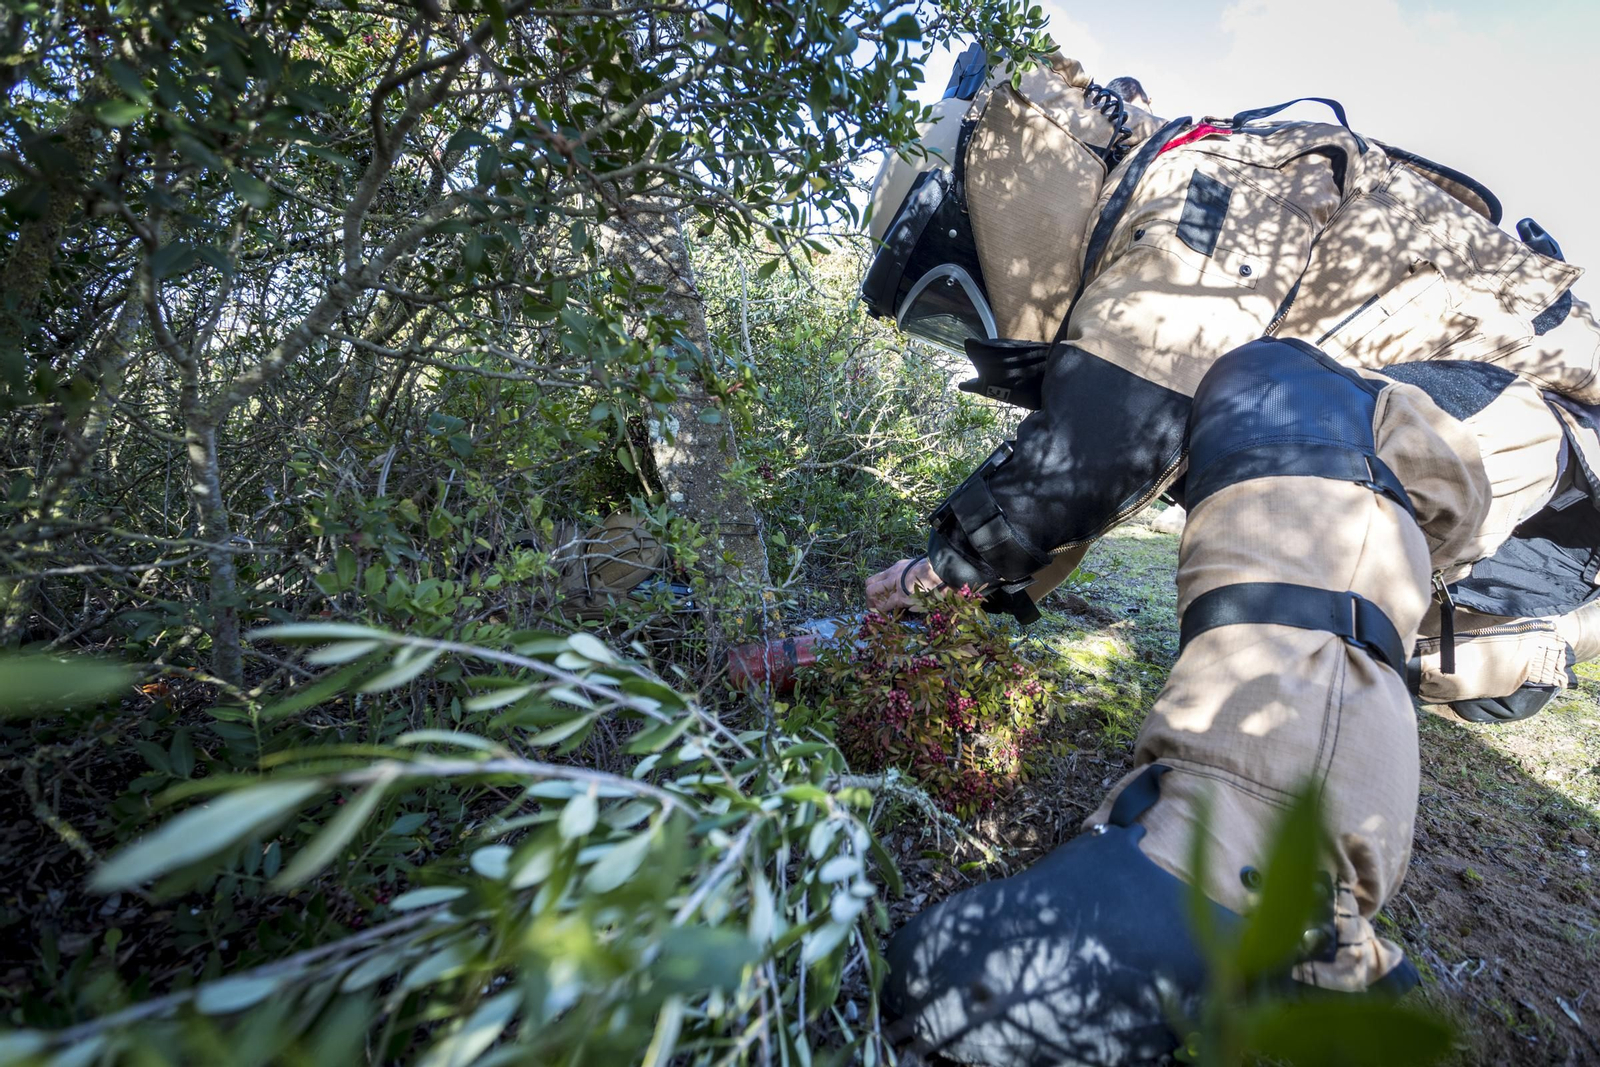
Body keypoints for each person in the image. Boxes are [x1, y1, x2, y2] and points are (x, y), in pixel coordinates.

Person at [858, 43, 1600, 1065]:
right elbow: (1090, 460)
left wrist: (942, 565)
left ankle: (1256, 904)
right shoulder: (1197, 203)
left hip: (1540, 447)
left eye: (951, 301)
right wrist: (964, 583)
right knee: (1265, 424)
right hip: (1492, 550)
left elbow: (1113, 433)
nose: (970, 335)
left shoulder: (1197, 184)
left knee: (1267, 388)